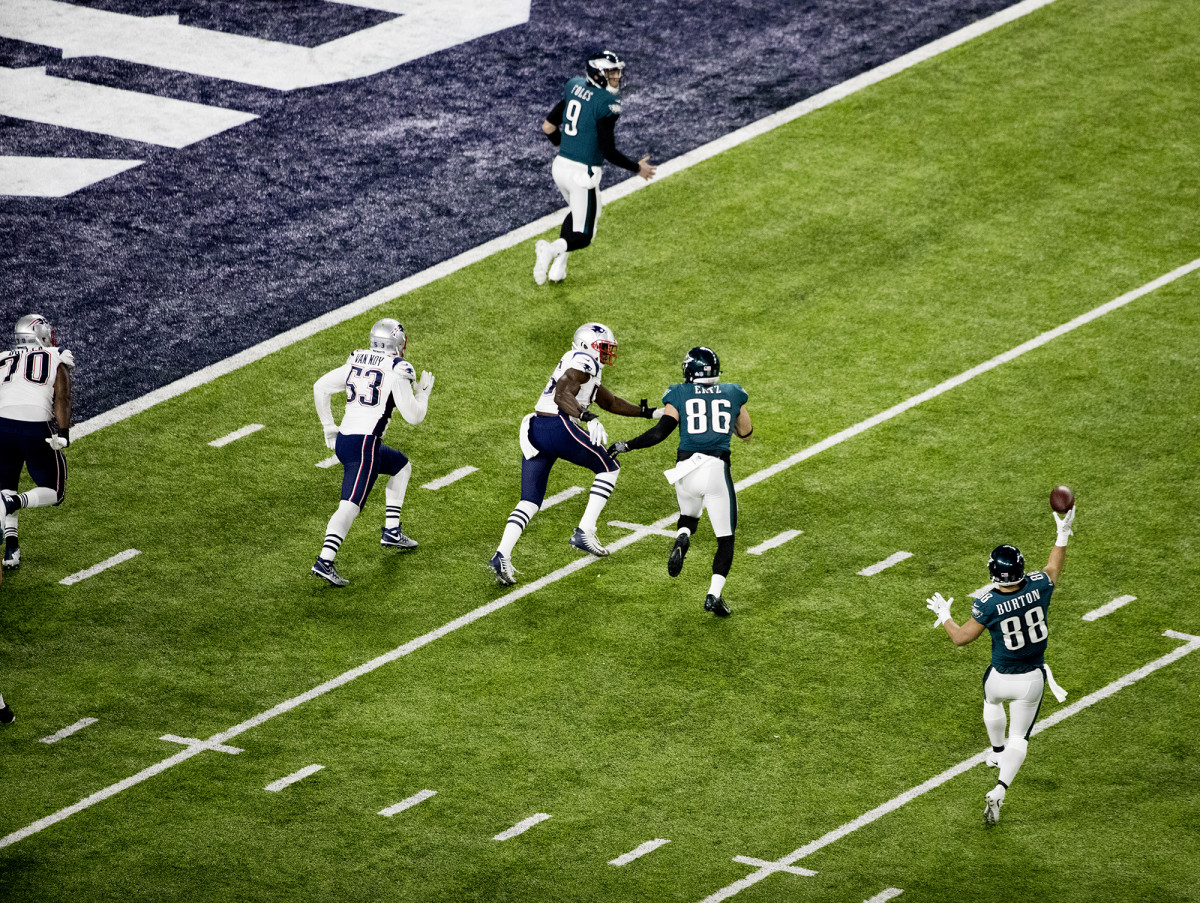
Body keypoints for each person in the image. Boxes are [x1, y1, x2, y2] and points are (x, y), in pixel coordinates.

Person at [925, 503, 1077, 827]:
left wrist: (945, 617)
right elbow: (1053, 568)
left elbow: (961, 638)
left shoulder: (988, 602)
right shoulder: (1038, 586)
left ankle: (995, 751)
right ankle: (1000, 789)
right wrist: (1062, 533)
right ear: (1021, 568)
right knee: (1020, 737)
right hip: (1031, 680)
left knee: (990, 698)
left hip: (1000, 677)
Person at [488, 323, 658, 585]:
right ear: (586, 345)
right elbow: (561, 395)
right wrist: (585, 416)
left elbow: (609, 401)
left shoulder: (584, 364)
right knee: (609, 466)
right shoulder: (582, 360)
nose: (605, 353)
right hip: (558, 424)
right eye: (602, 347)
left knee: (530, 501)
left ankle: (502, 555)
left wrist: (647, 412)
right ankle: (585, 530)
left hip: (537, 429)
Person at [608, 347, 752, 617]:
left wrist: (627, 445)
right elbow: (746, 432)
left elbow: (660, 432)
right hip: (715, 468)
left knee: (689, 516)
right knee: (725, 539)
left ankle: (682, 536)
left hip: (684, 471)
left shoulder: (679, 393)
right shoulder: (734, 392)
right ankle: (713, 595)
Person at [311, 318, 434, 587]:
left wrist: (329, 428)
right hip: (365, 446)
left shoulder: (357, 358)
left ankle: (391, 531)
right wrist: (423, 393)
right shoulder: (398, 368)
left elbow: (320, 387)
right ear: (398, 344)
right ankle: (325, 560)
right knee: (349, 506)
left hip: (346, 440)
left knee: (401, 466)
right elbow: (414, 416)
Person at [533, 50, 656, 286]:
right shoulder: (607, 103)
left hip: (560, 167)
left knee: (586, 211)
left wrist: (567, 145)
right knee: (584, 235)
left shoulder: (574, 86)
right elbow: (608, 151)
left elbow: (548, 126)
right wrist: (637, 168)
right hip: (582, 174)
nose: (616, 77)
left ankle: (559, 267)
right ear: (597, 74)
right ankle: (551, 250)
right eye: (610, 72)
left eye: (617, 71)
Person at [0, 314, 75, 571]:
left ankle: (11, 549)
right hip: (34, 428)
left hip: (1, 426)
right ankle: (13, 503)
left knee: (5, 485)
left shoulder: (2, 357)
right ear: (40, 333)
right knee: (55, 491)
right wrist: (63, 432)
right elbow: (62, 397)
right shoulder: (57, 354)